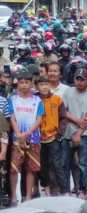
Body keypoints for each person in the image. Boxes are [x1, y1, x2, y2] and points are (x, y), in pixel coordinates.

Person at [7, 70, 44, 204]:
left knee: (31, 169)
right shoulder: (12, 99)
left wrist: (27, 133)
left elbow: (39, 120)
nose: (24, 85)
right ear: (17, 84)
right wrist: (18, 133)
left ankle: (28, 196)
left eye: (27, 82)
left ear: (31, 83)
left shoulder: (37, 100)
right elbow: (11, 117)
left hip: (33, 138)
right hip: (17, 139)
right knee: (13, 169)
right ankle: (13, 197)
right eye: (21, 82)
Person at [61, 68, 87, 197]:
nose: (80, 82)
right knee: (65, 162)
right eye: (78, 79)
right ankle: (66, 190)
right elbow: (64, 111)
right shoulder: (68, 92)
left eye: (83, 79)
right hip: (67, 131)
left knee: (83, 163)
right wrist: (77, 120)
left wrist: (79, 132)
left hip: (85, 133)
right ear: (74, 79)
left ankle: (82, 189)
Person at [36, 76, 64, 196]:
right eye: (41, 85)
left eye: (46, 84)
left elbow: (63, 117)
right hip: (38, 138)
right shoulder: (34, 100)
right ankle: (46, 189)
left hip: (53, 137)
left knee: (57, 164)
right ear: (37, 86)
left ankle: (63, 190)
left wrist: (59, 133)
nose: (44, 87)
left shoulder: (57, 99)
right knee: (43, 165)